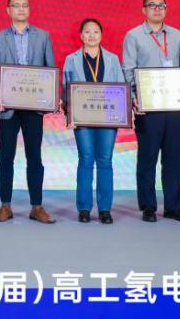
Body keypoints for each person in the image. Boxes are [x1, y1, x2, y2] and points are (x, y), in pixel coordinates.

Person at [0, 0, 56, 224]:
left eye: (25, 5)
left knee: (34, 156)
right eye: (16, 5)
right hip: (8, 108)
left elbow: (49, 70)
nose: (21, 9)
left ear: (29, 9)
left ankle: (37, 206)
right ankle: (5, 206)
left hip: (34, 108)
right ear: (8, 10)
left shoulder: (43, 36)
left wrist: (49, 98)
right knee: (6, 156)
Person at [122, 0, 180, 223]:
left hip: (174, 107)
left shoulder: (176, 35)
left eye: (161, 6)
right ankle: (148, 206)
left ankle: (173, 207)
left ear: (166, 9)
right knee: (148, 158)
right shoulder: (134, 36)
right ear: (143, 10)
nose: (157, 9)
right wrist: (134, 99)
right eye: (151, 6)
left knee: (174, 158)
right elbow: (128, 70)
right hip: (148, 108)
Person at [62, 18, 125, 224]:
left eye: (95, 31)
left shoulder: (113, 59)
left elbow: (121, 87)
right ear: (81, 35)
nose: (91, 35)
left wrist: (122, 115)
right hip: (82, 118)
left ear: (101, 35)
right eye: (87, 32)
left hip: (108, 117)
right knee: (86, 159)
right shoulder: (71, 59)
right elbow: (66, 88)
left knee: (105, 160)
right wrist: (69, 115)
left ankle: (105, 209)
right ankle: (84, 208)